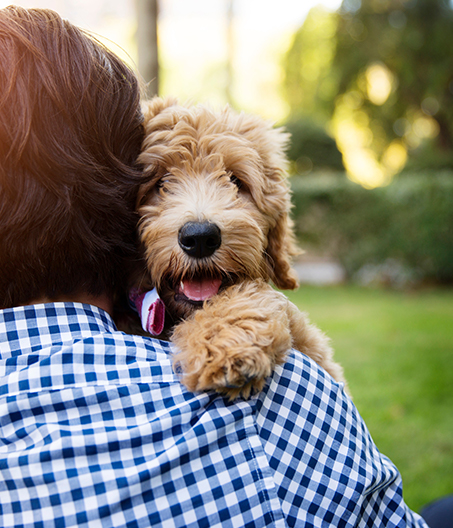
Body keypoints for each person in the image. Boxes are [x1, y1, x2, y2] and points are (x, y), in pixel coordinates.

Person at [0, 6, 429, 527]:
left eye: (238, 183)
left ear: (274, 226)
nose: (200, 216)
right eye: (160, 184)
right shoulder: (274, 412)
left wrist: (250, 306)